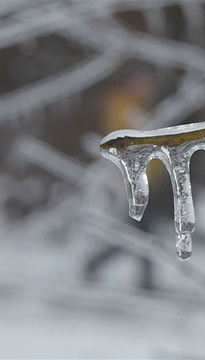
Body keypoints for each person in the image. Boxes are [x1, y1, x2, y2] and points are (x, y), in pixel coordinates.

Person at [84, 66, 163, 291]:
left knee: (138, 232)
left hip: (146, 182)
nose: (150, 90)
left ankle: (97, 264)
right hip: (133, 183)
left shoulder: (139, 109)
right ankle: (145, 281)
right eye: (145, 84)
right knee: (141, 232)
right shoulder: (124, 107)